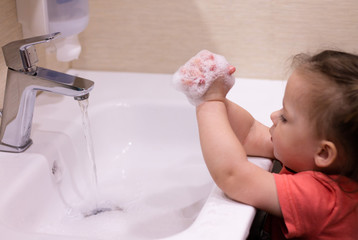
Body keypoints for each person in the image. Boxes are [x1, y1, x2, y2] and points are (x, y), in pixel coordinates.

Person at [194, 50, 358, 239]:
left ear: (323, 153)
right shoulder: (310, 155)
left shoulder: (326, 200)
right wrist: (214, 93)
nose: (273, 115)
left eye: (285, 117)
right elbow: (250, 133)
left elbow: (233, 176)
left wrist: (208, 104)